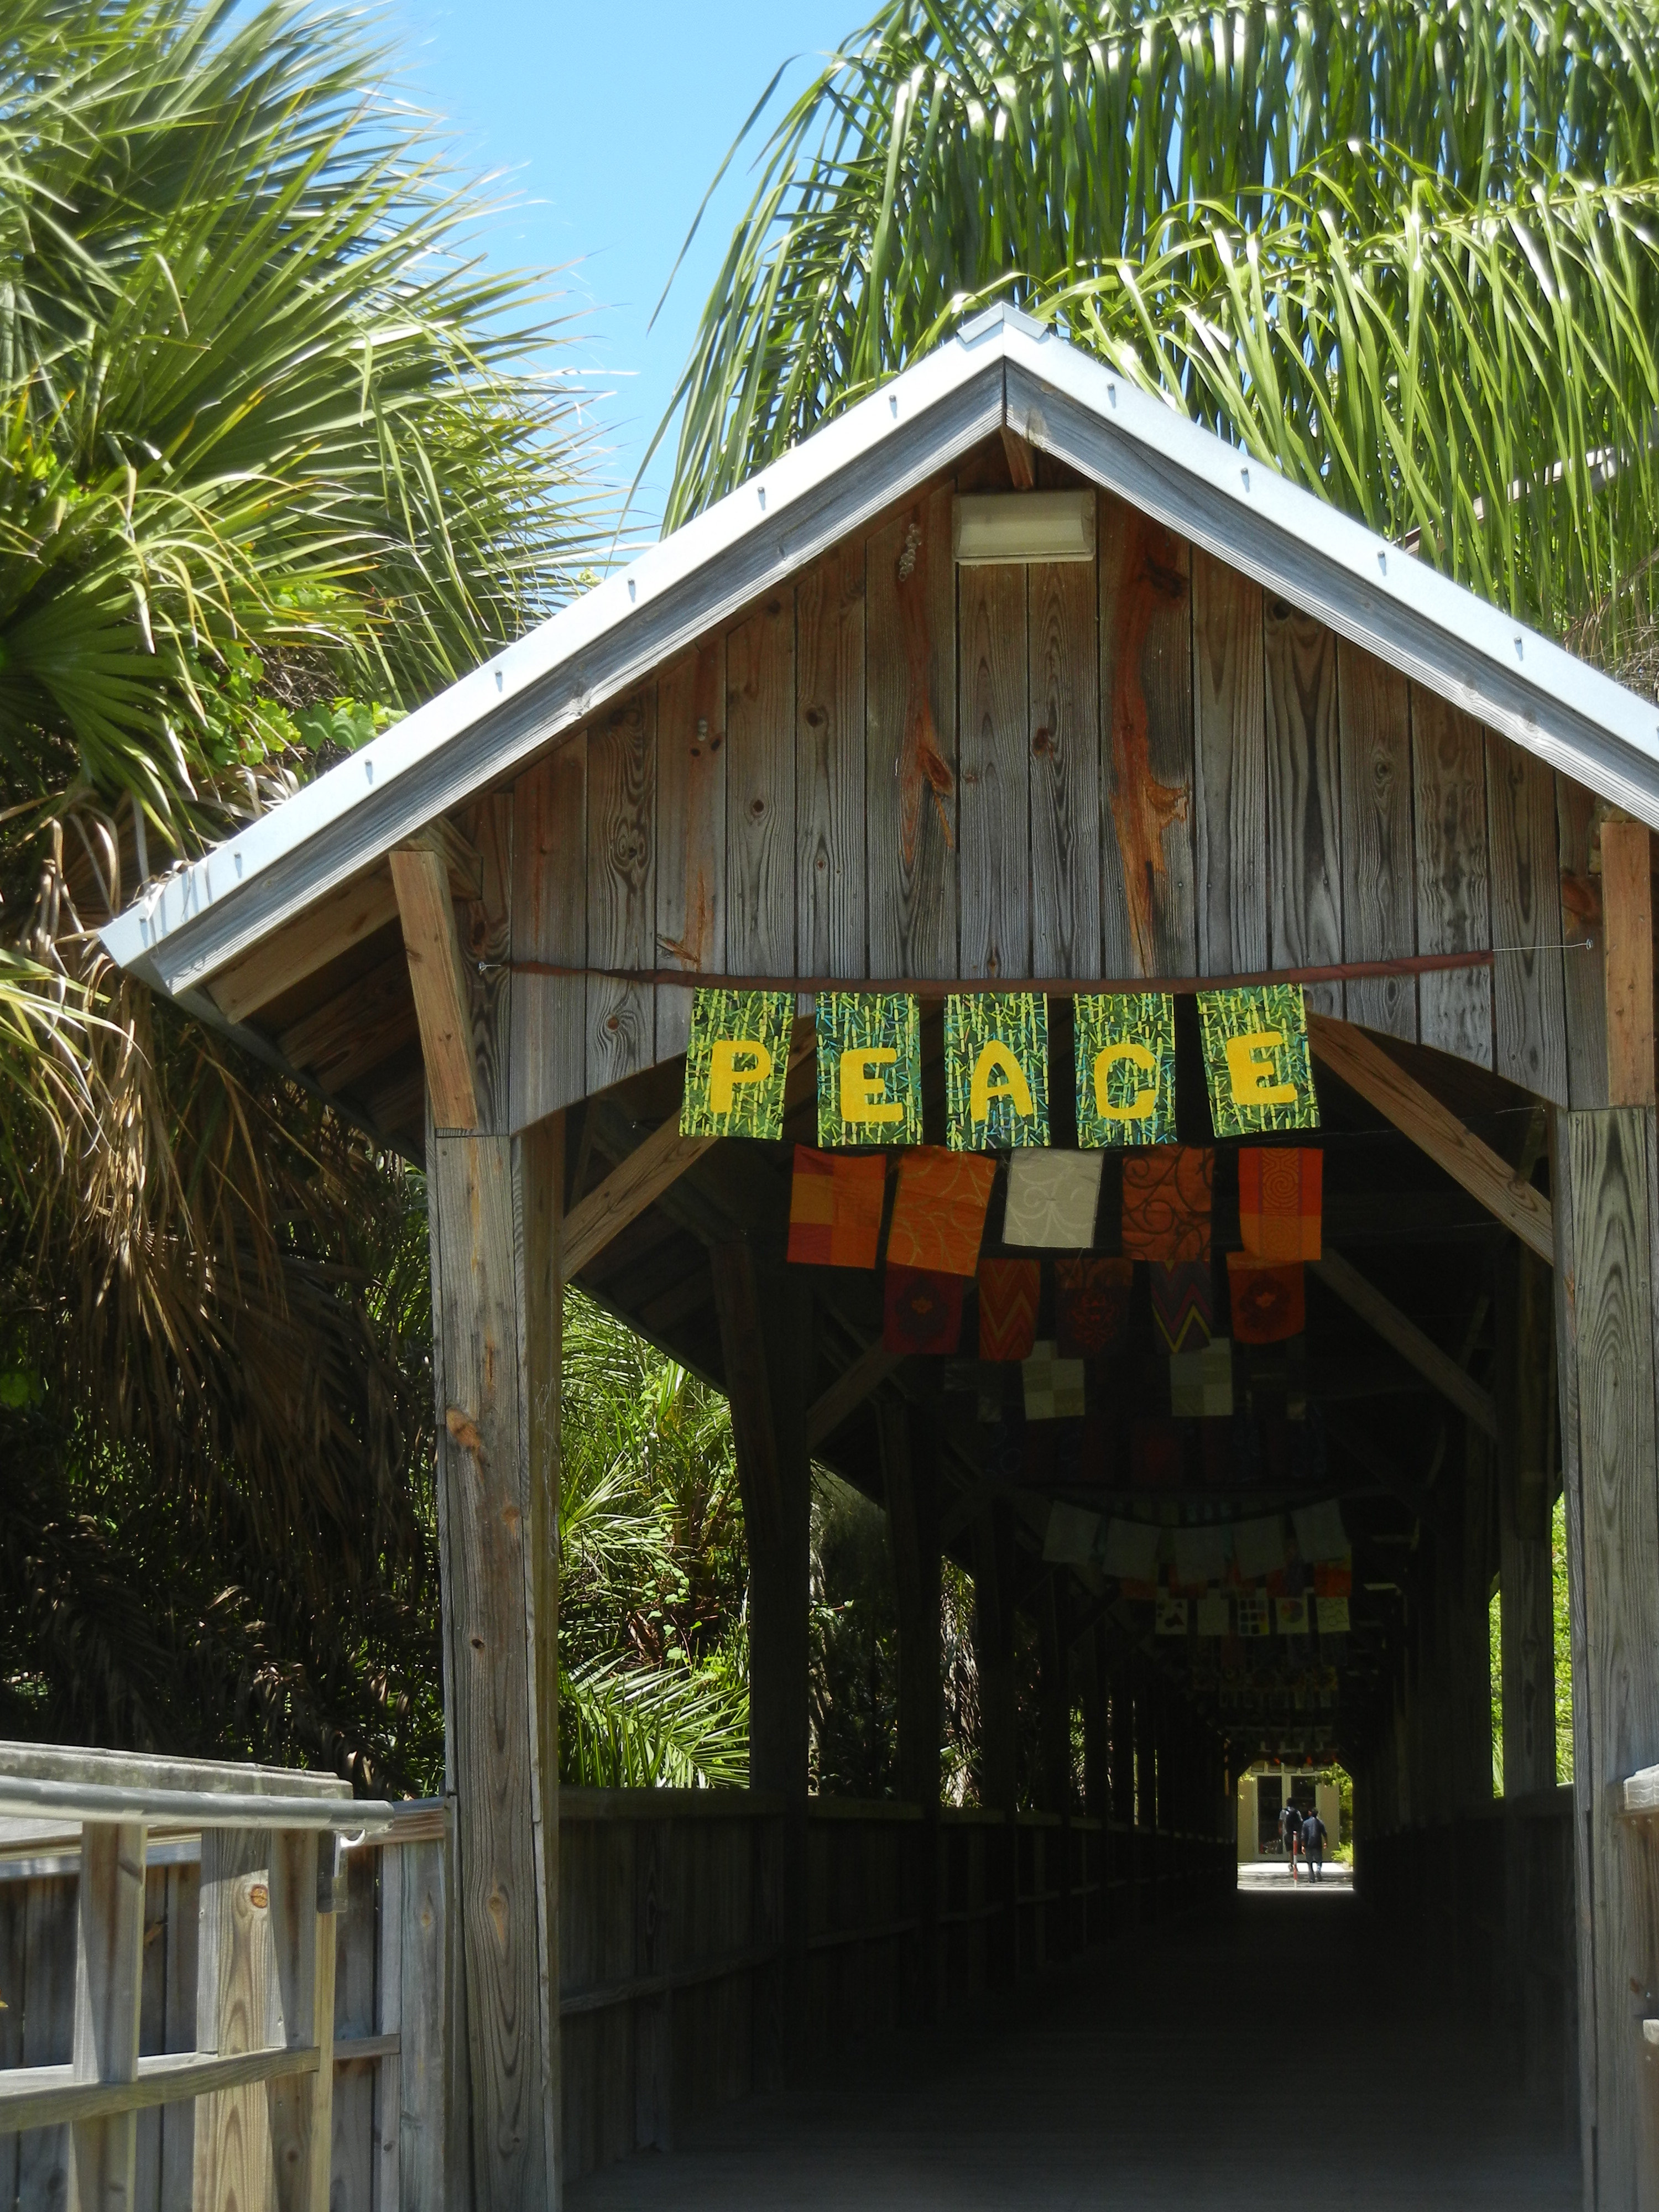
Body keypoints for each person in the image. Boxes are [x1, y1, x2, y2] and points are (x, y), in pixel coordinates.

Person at [1301, 1807, 1328, 1882]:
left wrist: (1303, 1846)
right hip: (1317, 1844)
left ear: (1310, 1813)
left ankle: (1312, 1878)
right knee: (1319, 1860)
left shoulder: (1306, 1823)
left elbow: (1303, 1836)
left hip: (1309, 1844)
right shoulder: (1320, 1823)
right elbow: (1325, 1833)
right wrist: (1326, 1842)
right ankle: (1319, 1870)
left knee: (1309, 1862)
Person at [1279, 1799, 1301, 1881]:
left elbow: (1280, 1821)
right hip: (1295, 1834)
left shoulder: (1283, 1812)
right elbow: (1300, 1822)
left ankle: (1291, 1863)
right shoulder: (1297, 1812)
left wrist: (1280, 1829)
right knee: (1295, 1849)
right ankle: (1295, 1864)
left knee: (1290, 1850)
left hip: (1286, 1833)